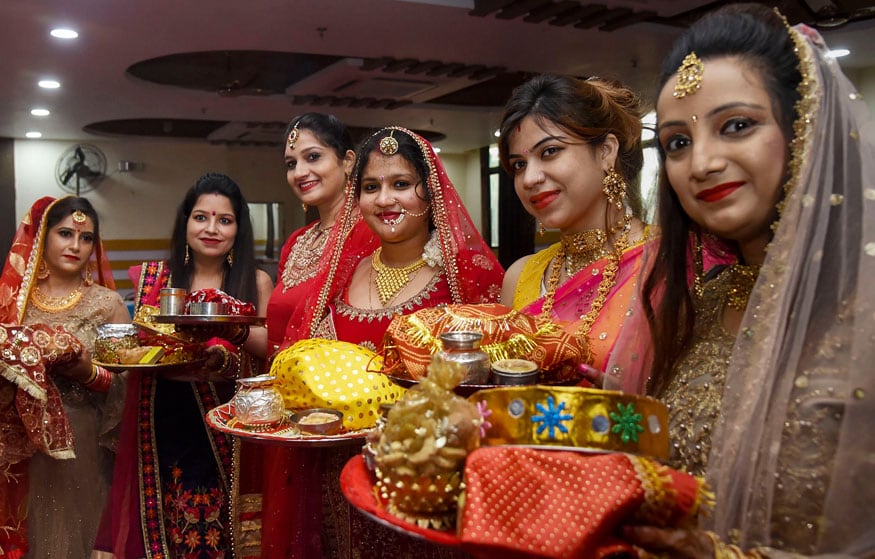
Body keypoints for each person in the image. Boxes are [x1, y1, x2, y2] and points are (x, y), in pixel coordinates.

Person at [617, 4, 875, 556]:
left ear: (805, 125)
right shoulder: (699, 307)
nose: (702, 162)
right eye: (677, 142)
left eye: (736, 126)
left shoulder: (867, 313)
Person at [263, 126, 504, 559]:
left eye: (401, 185)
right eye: (371, 187)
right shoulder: (341, 275)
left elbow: (491, 397)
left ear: (430, 194)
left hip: (423, 488)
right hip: (334, 484)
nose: (384, 200)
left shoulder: (465, 282)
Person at [96, 173, 273, 558]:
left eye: (224, 220)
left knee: (216, 532)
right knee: (165, 527)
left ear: (238, 229)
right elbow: (138, 343)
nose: (211, 228)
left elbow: (272, 348)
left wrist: (228, 341)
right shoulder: (158, 280)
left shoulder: (253, 280)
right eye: (201, 217)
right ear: (186, 222)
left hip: (228, 423)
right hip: (160, 419)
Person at [497, 74, 654, 374]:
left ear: (606, 151)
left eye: (550, 152)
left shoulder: (665, 260)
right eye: (519, 165)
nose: (530, 179)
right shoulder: (521, 278)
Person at [0, 196, 129, 558]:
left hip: (84, 445)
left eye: (86, 238)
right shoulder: (14, 304)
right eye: (65, 233)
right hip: (21, 450)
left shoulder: (107, 305)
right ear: (43, 237)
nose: (75, 245)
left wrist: (87, 374)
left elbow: (127, 385)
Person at [266, 112, 377, 355]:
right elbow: (277, 339)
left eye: (313, 157)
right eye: (291, 164)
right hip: (282, 380)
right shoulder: (296, 242)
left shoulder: (370, 234)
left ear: (348, 161)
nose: (299, 172)